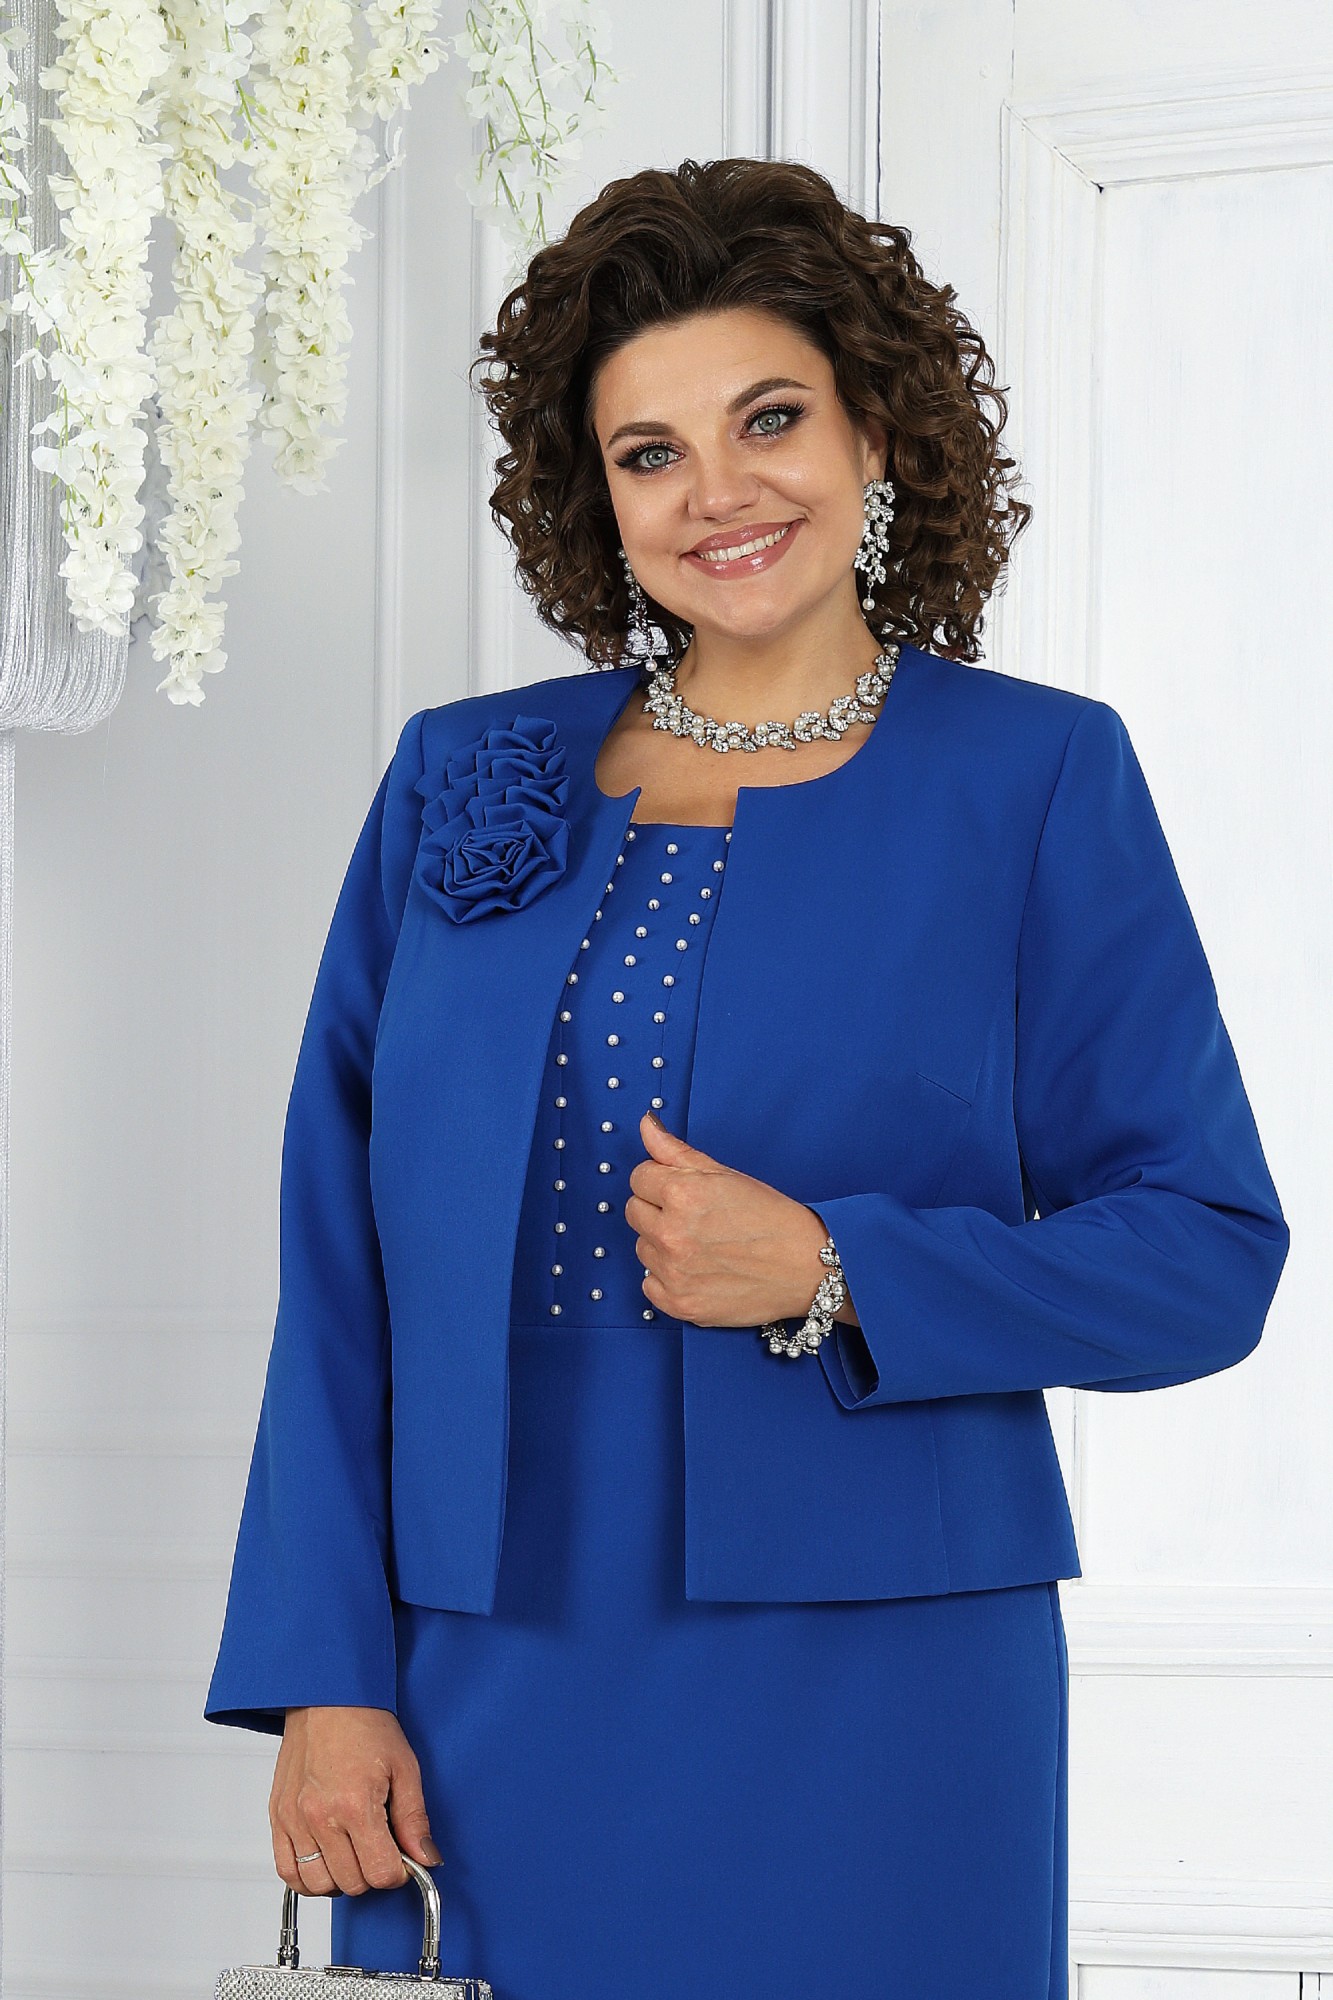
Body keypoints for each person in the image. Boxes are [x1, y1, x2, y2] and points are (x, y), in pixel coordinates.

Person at [205, 158, 1290, 1997]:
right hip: (480, 1657)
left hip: (885, 1670)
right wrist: (324, 1676)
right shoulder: (460, 776)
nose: (716, 492)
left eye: (768, 419)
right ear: (596, 496)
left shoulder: (1033, 778)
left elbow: (1204, 1249)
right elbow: (338, 1264)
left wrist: (837, 1267)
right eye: (650, 453)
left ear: (875, 428)